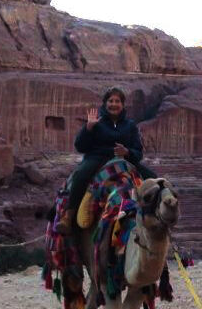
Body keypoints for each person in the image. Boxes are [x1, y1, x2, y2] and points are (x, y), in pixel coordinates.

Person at [54, 87, 157, 235]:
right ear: (105, 103)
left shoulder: (130, 126)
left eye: (117, 101)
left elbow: (138, 152)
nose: (113, 104)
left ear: (122, 105)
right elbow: (80, 146)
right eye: (110, 101)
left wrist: (127, 152)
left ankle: (155, 217)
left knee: (155, 180)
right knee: (81, 175)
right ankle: (68, 216)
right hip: (98, 159)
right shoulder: (96, 122)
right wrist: (88, 128)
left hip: (124, 160)